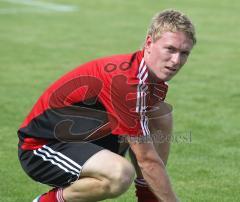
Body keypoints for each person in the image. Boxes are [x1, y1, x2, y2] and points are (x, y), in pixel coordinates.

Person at [18, 9, 196, 202]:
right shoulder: (126, 82)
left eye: (184, 53)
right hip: (42, 147)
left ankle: (148, 197)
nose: (176, 61)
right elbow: (147, 160)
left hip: (87, 138)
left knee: (160, 114)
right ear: (149, 43)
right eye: (170, 49)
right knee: (120, 174)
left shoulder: (149, 78)